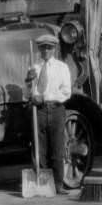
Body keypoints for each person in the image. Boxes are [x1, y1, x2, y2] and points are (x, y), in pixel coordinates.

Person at [27, 33, 72, 194]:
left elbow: (66, 92)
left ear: (54, 49)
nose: (46, 50)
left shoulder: (62, 67)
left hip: (56, 109)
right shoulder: (34, 67)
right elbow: (30, 92)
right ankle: (42, 183)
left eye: (49, 47)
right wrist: (28, 81)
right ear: (39, 49)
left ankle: (58, 184)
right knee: (39, 148)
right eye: (43, 47)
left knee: (57, 148)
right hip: (37, 112)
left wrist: (44, 97)